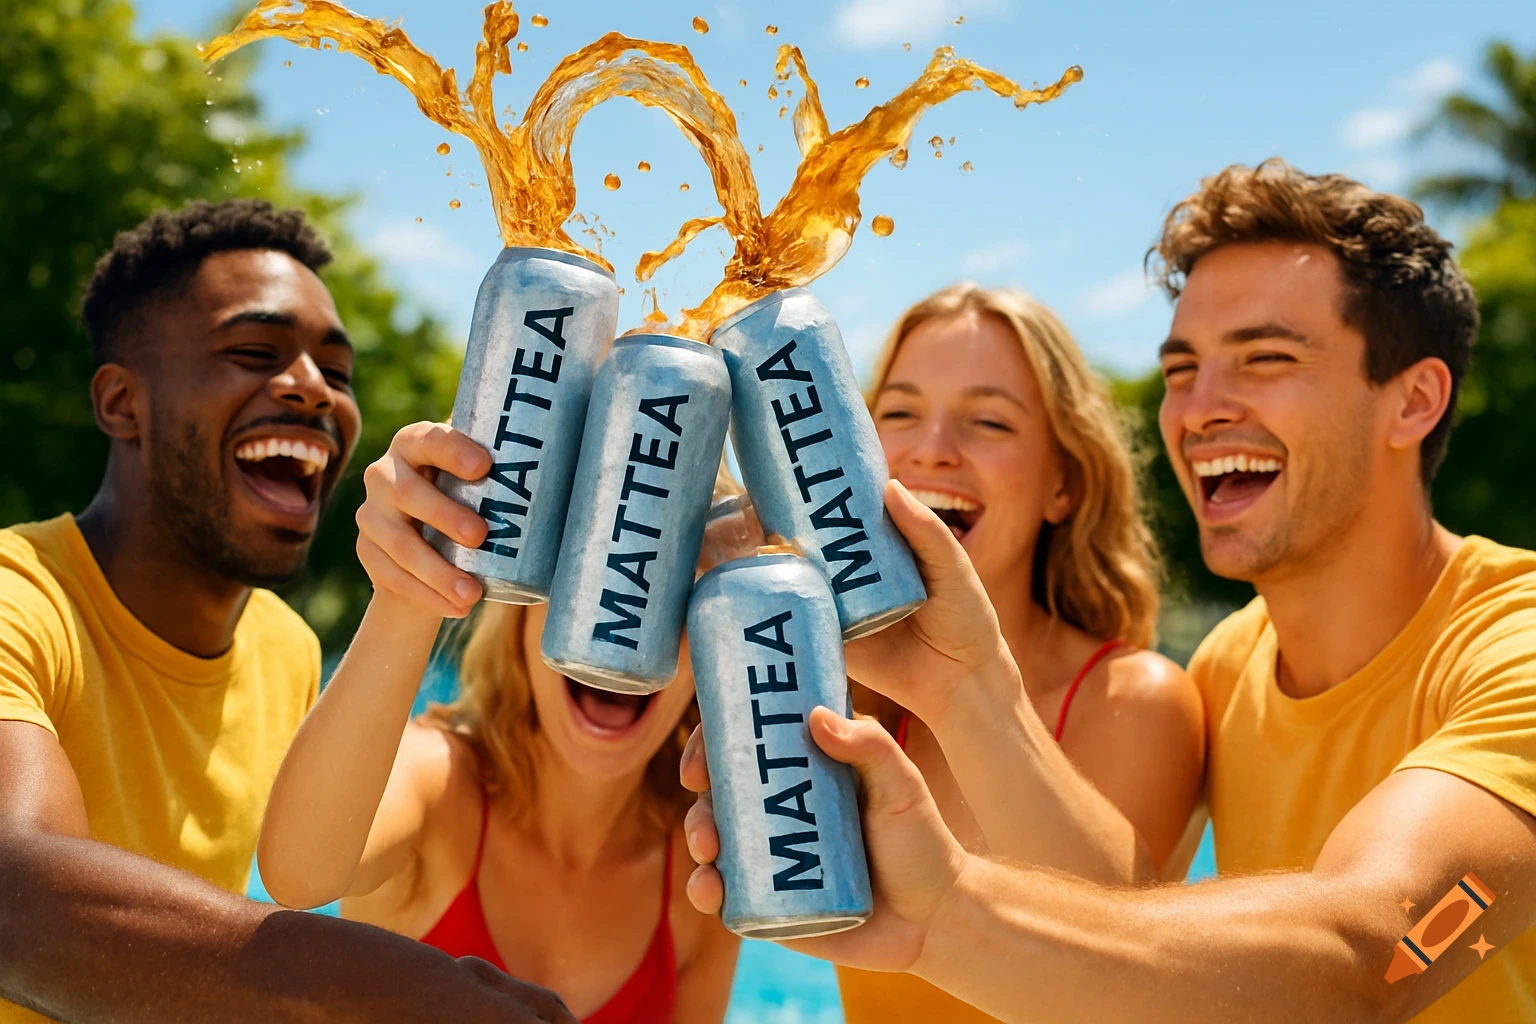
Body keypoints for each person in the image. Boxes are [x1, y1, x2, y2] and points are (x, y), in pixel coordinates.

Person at [681, 160, 1536, 1022]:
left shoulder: (1517, 645)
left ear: (1415, 400)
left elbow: (1381, 960)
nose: (1199, 408)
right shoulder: (1229, 669)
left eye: (1265, 358)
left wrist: (947, 918)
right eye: (1179, 370)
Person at [0, 199, 573, 1024]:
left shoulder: (286, 647)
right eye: (253, 351)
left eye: (336, 373)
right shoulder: (21, 601)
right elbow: (16, 904)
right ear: (122, 404)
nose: (313, 389)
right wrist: (397, 991)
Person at [253, 420, 742, 1023]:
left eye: (669, 589)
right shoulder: (438, 783)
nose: (617, 623)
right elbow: (297, 876)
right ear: (520, 616)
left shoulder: (705, 869)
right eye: (582, 573)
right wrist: (410, 586)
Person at [836, 285, 1205, 1022]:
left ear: (1063, 484)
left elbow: (1113, 972)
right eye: (900, 413)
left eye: (988, 422)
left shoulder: (1134, 700)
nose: (931, 448)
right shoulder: (845, 695)